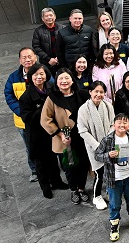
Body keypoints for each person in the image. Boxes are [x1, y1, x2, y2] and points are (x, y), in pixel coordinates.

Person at [41, 68, 91, 204]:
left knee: (83, 164)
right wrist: (59, 133)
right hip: (65, 138)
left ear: (72, 80)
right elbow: (45, 119)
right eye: (60, 79)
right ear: (56, 82)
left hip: (82, 136)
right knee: (69, 166)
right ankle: (73, 189)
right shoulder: (52, 98)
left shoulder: (81, 94)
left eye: (66, 78)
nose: (64, 81)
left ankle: (81, 188)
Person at [94, 113, 129, 241]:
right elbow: (97, 155)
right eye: (119, 122)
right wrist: (108, 155)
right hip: (114, 178)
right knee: (114, 202)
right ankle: (114, 223)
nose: (122, 125)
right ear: (114, 125)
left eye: (125, 123)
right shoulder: (108, 140)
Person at [19, 63, 67, 198]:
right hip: (37, 134)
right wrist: (43, 110)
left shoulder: (51, 89)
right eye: (36, 75)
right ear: (30, 77)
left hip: (52, 131)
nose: (39, 77)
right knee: (41, 163)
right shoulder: (26, 97)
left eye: (42, 74)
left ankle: (57, 182)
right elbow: (26, 118)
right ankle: (45, 187)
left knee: (53, 159)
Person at [77, 81, 115, 209]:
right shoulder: (83, 109)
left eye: (101, 92)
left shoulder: (108, 106)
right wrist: (97, 145)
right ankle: (96, 196)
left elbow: (112, 124)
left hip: (108, 144)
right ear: (90, 92)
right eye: (96, 91)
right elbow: (82, 131)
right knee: (99, 172)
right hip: (94, 147)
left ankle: (109, 192)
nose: (99, 94)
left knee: (109, 170)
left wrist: (107, 141)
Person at [5, 47, 39, 181]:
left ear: (35, 57)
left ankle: (49, 167)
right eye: (24, 57)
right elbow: (9, 96)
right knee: (29, 145)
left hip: (42, 118)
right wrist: (22, 112)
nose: (27, 59)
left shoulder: (43, 72)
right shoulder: (13, 77)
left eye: (30, 56)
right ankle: (34, 170)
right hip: (23, 120)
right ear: (20, 60)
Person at [32, 7, 61, 72]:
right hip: (46, 63)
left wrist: (59, 57)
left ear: (55, 16)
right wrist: (48, 59)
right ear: (42, 18)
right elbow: (36, 47)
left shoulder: (62, 28)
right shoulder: (38, 31)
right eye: (46, 16)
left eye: (51, 15)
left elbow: (67, 44)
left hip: (61, 61)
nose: (49, 17)